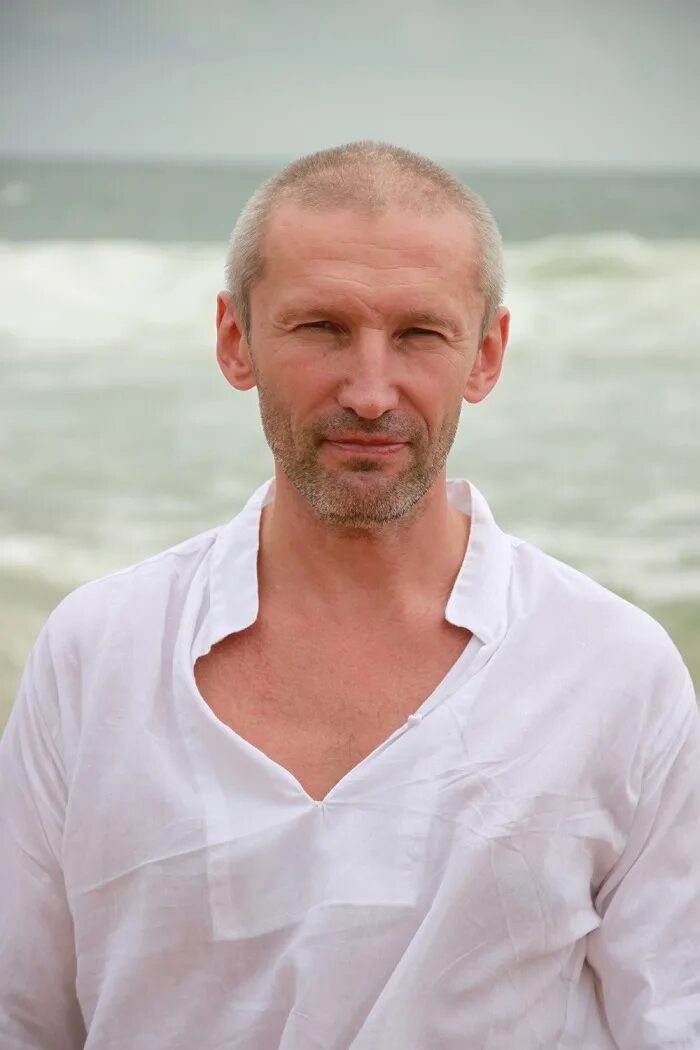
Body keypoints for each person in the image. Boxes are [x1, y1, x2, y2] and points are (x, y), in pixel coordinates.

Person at [1, 142, 698, 1050]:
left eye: (420, 334)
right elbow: (22, 1014)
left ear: (485, 355)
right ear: (235, 340)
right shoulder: (98, 653)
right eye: (321, 328)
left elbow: (675, 1016)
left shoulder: (614, 672)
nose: (371, 393)